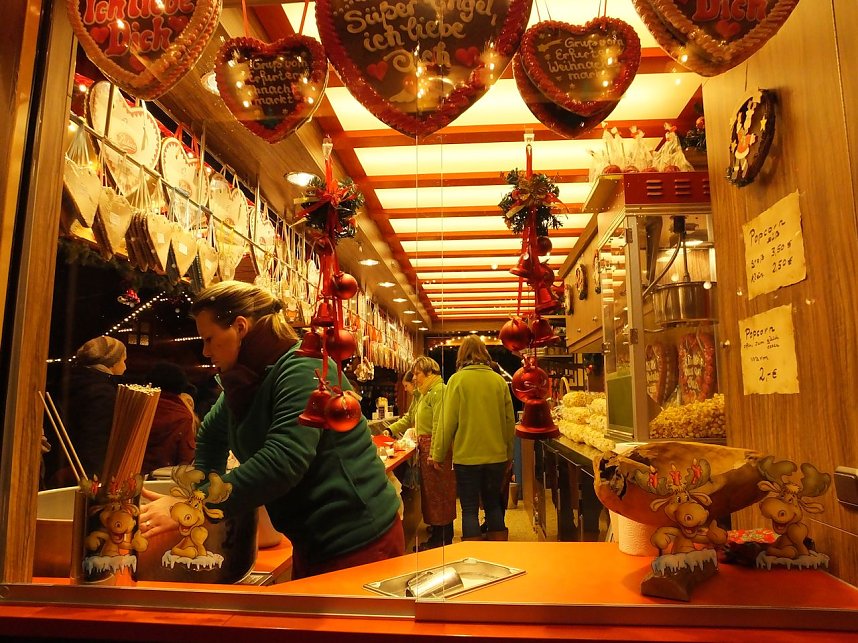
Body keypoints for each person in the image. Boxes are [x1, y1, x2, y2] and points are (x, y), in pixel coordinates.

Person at [138, 281, 403, 578]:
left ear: (239, 327)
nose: (205, 351)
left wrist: (197, 504)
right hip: (312, 541)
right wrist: (199, 494)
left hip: (358, 540)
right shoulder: (247, 380)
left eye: (210, 339)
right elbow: (211, 435)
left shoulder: (303, 368)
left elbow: (283, 461)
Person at [431, 336, 515, 541]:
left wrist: (438, 454)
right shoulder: (498, 381)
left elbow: (446, 421)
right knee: (493, 503)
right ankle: (499, 552)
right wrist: (509, 455)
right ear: (484, 353)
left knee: (469, 509)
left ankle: (473, 557)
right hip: (496, 456)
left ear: (462, 355)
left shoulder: (456, 381)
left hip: (466, 458)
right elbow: (509, 423)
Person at [47, 335, 127, 486]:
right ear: (111, 362)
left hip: (58, 466)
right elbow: (96, 440)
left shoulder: (67, 383)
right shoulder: (103, 393)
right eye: (123, 360)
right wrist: (96, 479)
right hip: (83, 477)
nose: (125, 366)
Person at [411, 356, 456, 550]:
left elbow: (440, 424)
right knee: (434, 494)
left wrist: (435, 453)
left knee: (440, 494)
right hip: (429, 447)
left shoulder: (439, 391)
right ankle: (439, 534)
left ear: (430, 373)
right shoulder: (427, 392)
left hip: (435, 449)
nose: (415, 377)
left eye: (417, 373)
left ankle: (442, 539)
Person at [140, 362, 197, 475]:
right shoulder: (182, 415)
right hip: (161, 480)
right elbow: (186, 458)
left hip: (129, 477)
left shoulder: (137, 407)